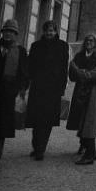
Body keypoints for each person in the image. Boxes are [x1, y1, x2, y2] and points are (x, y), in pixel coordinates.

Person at [0, 19, 29, 176]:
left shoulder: (20, 51)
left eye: (11, 32)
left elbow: (24, 75)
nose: (8, 34)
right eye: (6, 31)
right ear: (2, 32)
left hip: (7, 98)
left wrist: (18, 91)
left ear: (16, 35)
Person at [25, 21, 69, 160]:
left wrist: (62, 88)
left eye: (52, 30)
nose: (50, 33)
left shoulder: (62, 46)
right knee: (36, 118)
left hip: (53, 89)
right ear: (43, 31)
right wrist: (27, 84)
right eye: (47, 30)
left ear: (56, 32)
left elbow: (64, 69)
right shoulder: (36, 46)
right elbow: (30, 67)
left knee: (47, 120)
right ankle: (36, 145)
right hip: (37, 87)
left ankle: (40, 149)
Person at [66, 34, 96, 165]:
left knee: (90, 125)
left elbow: (89, 75)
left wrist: (75, 67)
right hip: (91, 96)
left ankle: (89, 155)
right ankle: (92, 152)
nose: (95, 50)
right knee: (86, 123)